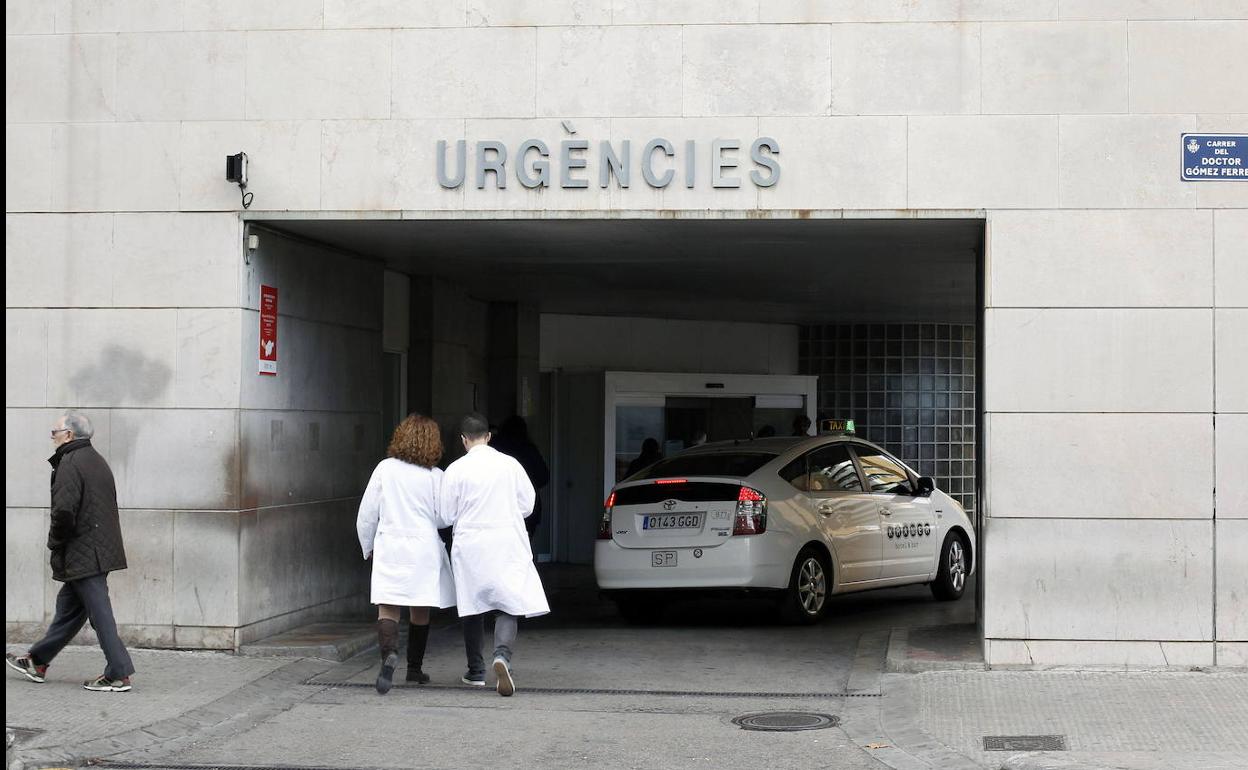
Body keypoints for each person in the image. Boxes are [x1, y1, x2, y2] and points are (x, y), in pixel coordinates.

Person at [5, 412, 134, 692]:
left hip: (84, 552)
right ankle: (37, 661)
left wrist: (55, 541)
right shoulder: (95, 460)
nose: (52, 436)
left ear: (70, 435)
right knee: (69, 611)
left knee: (100, 615)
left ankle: (118, 673)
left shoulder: (70, 463)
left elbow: (63, 511)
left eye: (55, 431)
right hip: (96, 549)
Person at [439, 413, 550, 697]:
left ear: (464, 440)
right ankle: (502, 657)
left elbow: (446, 515)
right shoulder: (510, 464)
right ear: (489, 436)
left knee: (472, 604)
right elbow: (527, 504)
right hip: (506, 540)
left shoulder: (455, 470)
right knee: (508, 604)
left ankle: (475, 671)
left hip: (470, 544)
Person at [357, 414, 456, 695]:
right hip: (423, 547)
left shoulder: (385, 470)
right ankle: (414, 668)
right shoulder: (436, 477)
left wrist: (368, 546)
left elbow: (367, 514)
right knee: (419, 607)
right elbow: (443, 518)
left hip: (390, 543)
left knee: (388, 605)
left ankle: (388, 656)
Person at [490, 415, 550, 538]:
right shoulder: (529, 449)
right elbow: (543, 477)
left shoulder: (495, 448)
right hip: (528, 509)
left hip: (499, 507)